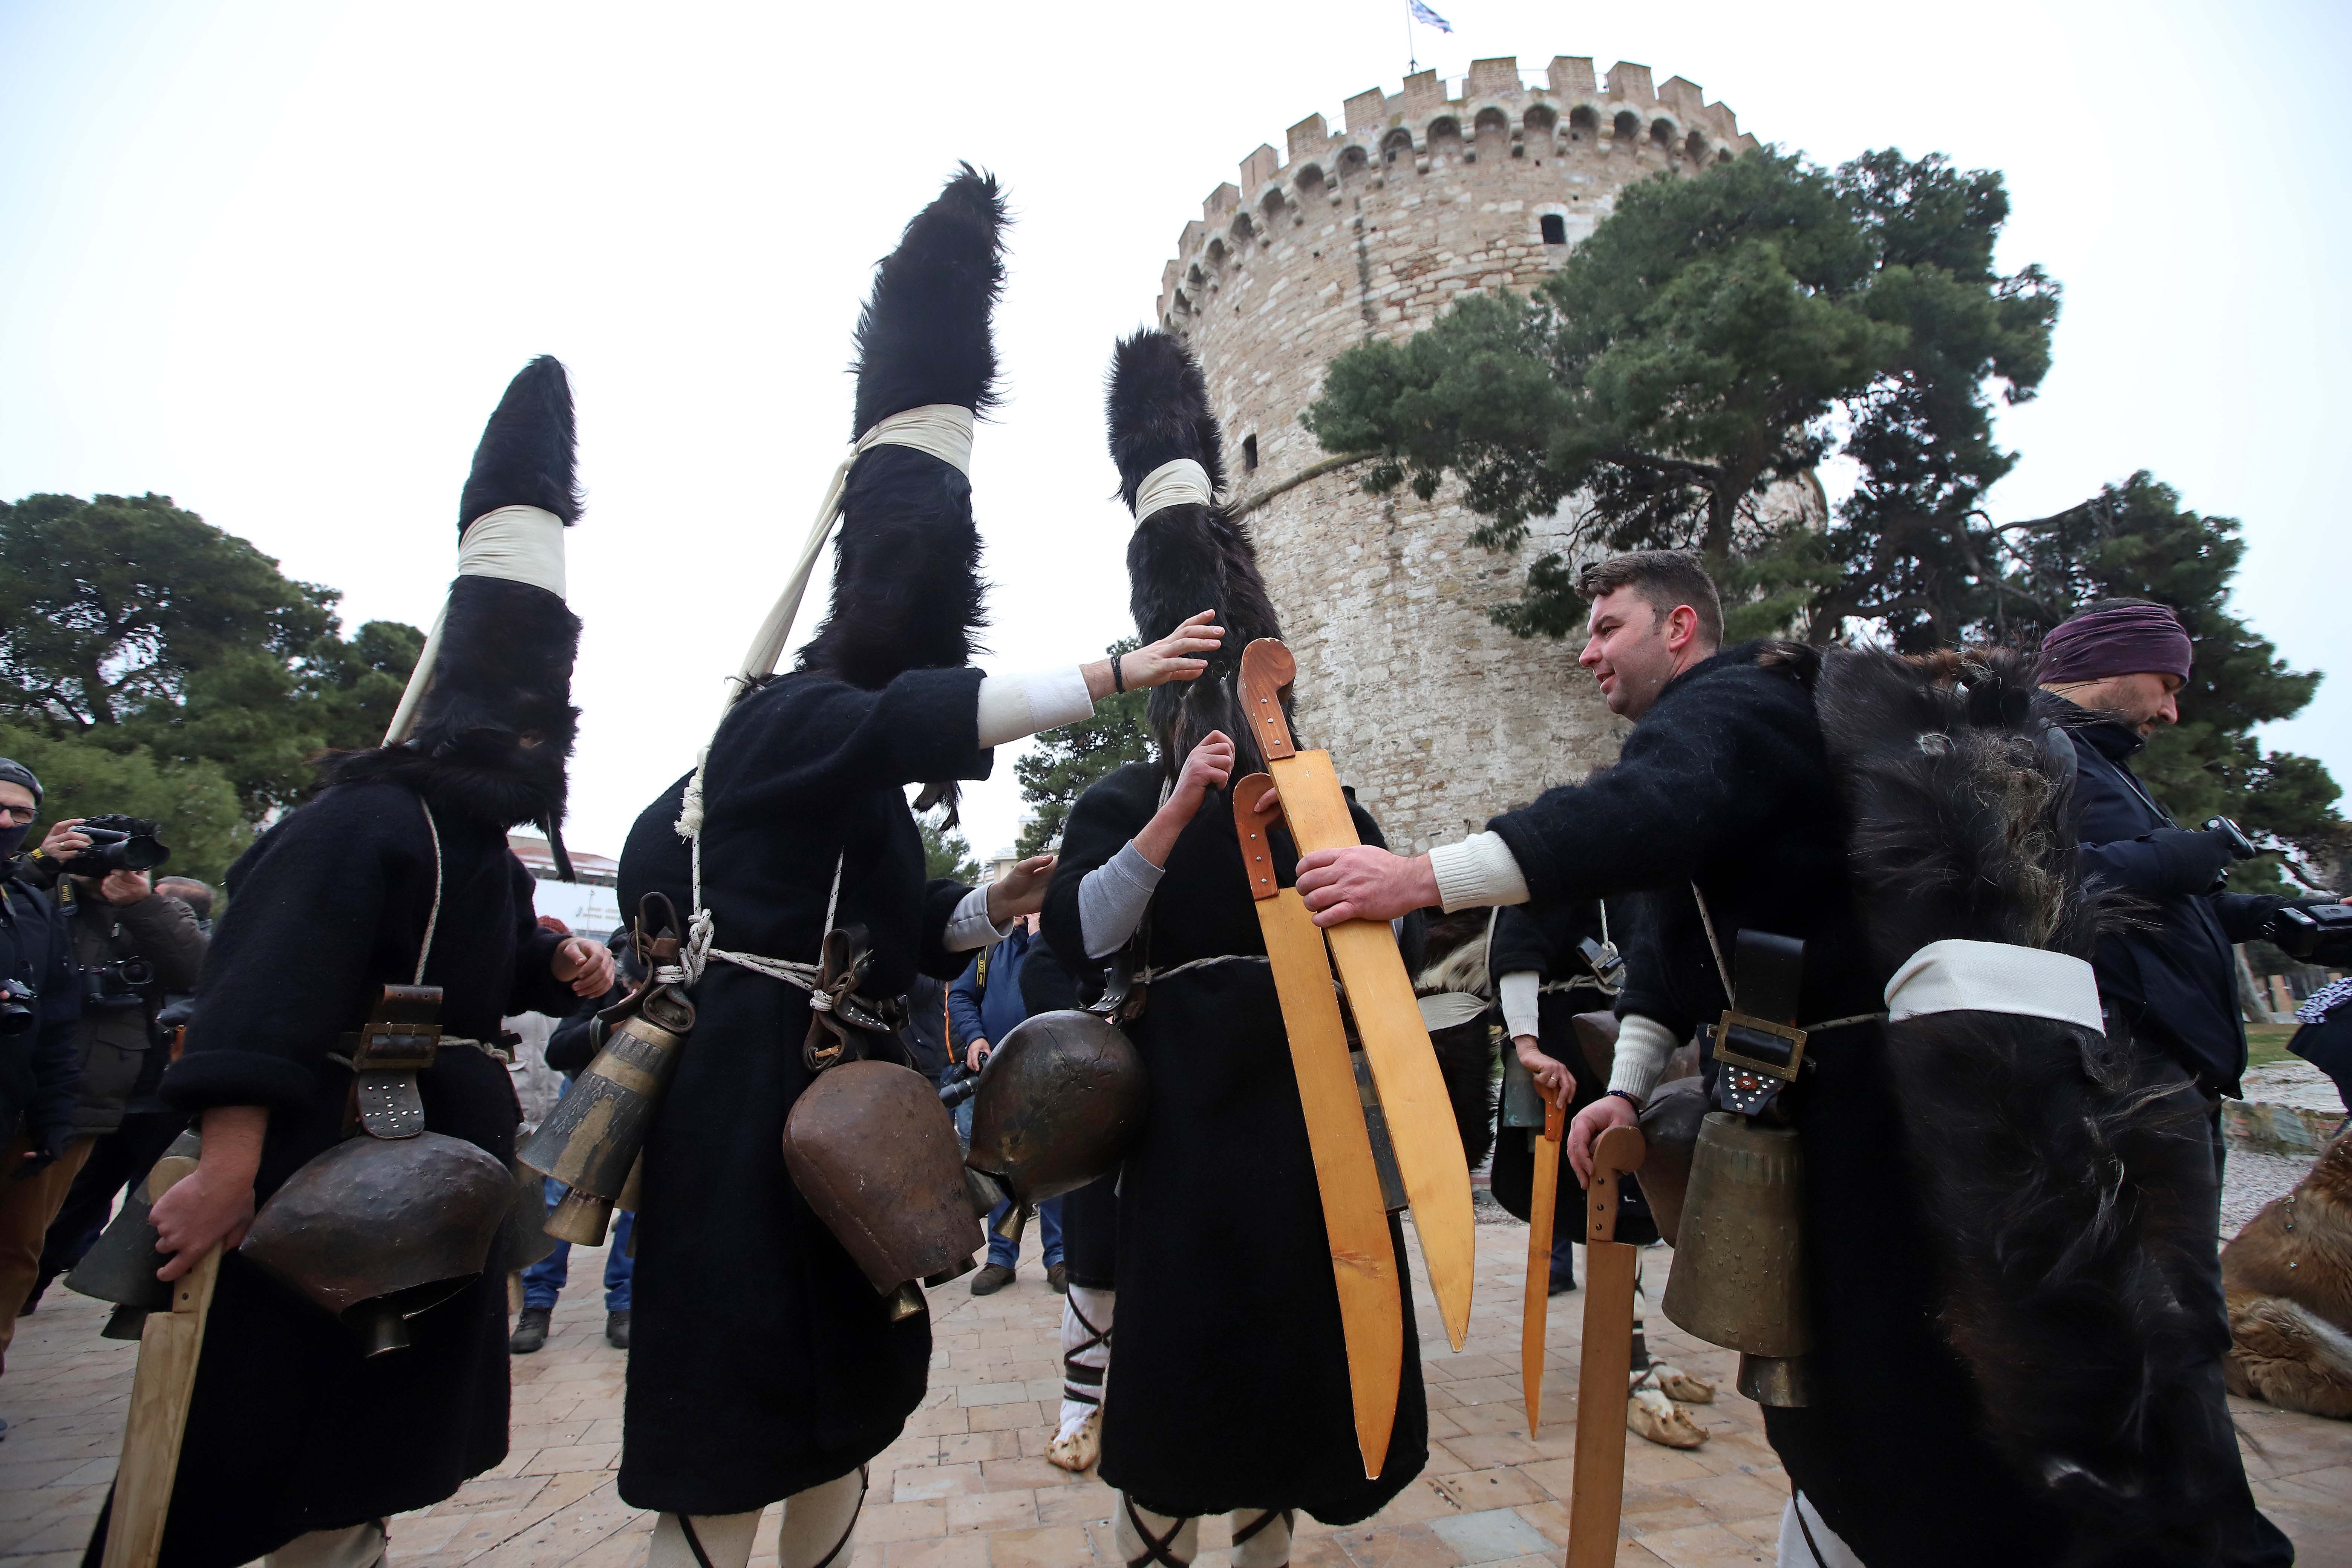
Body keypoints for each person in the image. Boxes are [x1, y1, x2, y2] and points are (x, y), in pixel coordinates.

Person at [1289, 550, 2291, 1567]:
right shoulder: (1720, 749)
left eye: (1607, 630)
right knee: (1838, 1399)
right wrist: (1626, 1092)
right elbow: (1668, 960)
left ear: (1679, 629)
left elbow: (1642, 814)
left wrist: (1418, 875)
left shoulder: (1740, 702)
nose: (1585, 653)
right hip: (1816, 1097)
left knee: (1913, 1396)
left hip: (1888, 1111)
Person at [608, 173, 1222, 1568]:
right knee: (735, 1407)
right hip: (738, 1098)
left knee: (840, 1391)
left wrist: (980, 905)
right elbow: (896, 716)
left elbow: (896, 922)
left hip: (843, 1097)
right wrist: (1113, 672)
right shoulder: (780, 719)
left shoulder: (852, 777)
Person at [84, 356, 616, 1568]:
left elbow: (470, 980)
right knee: (253, 1445)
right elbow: (260, 996)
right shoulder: (353, 825)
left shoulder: (478, 848)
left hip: (422, 1171)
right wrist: (228, 1169)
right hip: (315, 1165)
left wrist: (559, 969)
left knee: (360, 1454)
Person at [1038, 331, 1427, 1568]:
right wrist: (1172, 813)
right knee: (1181, 1367)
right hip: (1180, 1118)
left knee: (1292, 1372)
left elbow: (1392, 958)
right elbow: (1086, 938)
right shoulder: (1115, 799)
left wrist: (1371, 903)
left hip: (1312, 1117)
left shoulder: (1322, 797)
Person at [2037, 598, 2344, 1185]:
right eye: (2166, 684)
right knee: (2163, 1278)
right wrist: (2171, 857)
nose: (2172, 711)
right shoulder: (2025, 747)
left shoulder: (2107, 763)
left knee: (2185, 1277)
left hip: (2176, 1077)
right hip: (2121, 1076)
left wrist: (2277, 915)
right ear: (2109, 665)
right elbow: (2009, 880)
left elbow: (2157, 908)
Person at [13, 837, 207, 1317]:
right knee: (54, 1213)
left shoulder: (154, 910)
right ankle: (26, 1294)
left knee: (149, 1203)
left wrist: (142, 906)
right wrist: (40, 865)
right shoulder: (39, 898)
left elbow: (199, 968)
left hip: (148, 1086)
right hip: (67, 1088)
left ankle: (148, 1304)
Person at [0, 760, 82, 1412]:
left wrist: (55, 1113)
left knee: (15, 1252)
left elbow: (57, 1012)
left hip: (22, 1105)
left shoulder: (29, 901)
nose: (6, 821)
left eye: (19, 814)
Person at [512, 927, 637, 1354]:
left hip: (649, 1102)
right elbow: (559, 1049)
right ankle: (538, 1303)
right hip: (588, 1096)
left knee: (636, 1209)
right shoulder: (607, 974)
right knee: (559, 1200)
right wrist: (612, 1028)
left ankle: (623, 1304)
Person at [949, 910, 1062, 1294]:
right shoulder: (988, 949)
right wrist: (975, 1035)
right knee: (999, 1163)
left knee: (1053, 1164)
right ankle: (1001, 1257)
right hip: (998, 1074)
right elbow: (962, 994)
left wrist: (1037, 936)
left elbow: (1055, 988)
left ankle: (1060, 1256)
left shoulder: (1055, 942)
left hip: (1051, 1069)